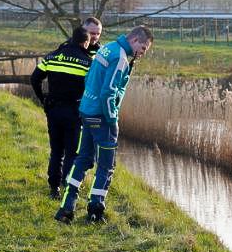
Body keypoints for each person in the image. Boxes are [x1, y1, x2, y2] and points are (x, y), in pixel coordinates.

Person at [54, 25, 153, 224]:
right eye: (143, 49)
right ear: (135, 40)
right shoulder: (120, 58)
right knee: (106, 166)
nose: (142, 54)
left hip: (86, 111)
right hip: (102, 117)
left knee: (83, 160)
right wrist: (112, 119)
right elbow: (108, 92)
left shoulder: (106, 48)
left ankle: (66, 208)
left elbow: (89, 77)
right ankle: (95, 211)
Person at [30, 25, 93, 196]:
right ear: (85, 42)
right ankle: (68, 186)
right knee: (72, 151)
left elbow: (34, 78)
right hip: (74, 110)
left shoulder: (52, 56)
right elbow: (92, 89)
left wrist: (42, 98)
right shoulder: (88, 62)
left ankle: (53, 188)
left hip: (53, 109)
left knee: (56, 150)